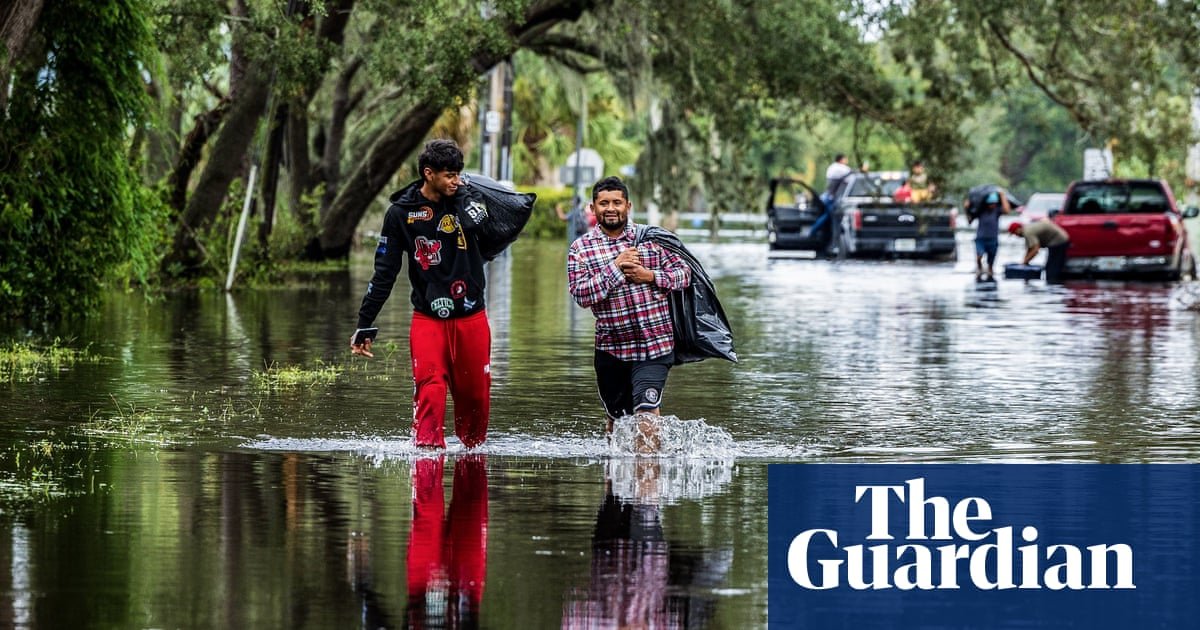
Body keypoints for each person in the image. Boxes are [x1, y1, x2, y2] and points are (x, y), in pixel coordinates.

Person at [350, 139, 492, 449]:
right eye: (449, 175)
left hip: (472, 317)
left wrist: (461, 198)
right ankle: (427, 460)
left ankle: (473, 462)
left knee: (476, 400)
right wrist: (365, 323)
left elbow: (483, 228)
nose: (456, 181)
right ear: (428, 174)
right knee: (431, 389)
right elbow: (385, 273)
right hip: (428, 318)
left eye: (459, 174)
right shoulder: (401, 213)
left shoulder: (469, 199)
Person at [567, 176, 692, 445]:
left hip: (655, 346)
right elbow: (581, 295)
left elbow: (685, 275)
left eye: (616, 202)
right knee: (617, 421)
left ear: (628, 206)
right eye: (604, 203)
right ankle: (613, 484)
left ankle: (648, 481)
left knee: (647, 416)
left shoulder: (653, 239)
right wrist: (615, 267)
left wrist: (650, 276)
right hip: (612, 349)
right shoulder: (581, 249)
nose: (610, 208)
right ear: (593, 208)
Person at [1009, 218, 1071, 284]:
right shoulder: (1027, 230)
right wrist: (1025, 262)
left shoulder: (1027, 232)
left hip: (1059, 241)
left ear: (1018, 229)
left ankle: (1053, 285)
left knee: (1052, 269)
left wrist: (1024, 262)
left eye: (1014, 233)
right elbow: (1030, 248)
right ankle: (1053, 283)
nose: (1015, 235)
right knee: (1051, 267)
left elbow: (1035, 249)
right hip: (1058, 239)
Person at [972, 190, 1011, 281]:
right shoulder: (981, 211)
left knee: (991, 260)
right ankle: (980, 268)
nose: (992, 205)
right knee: (979, 256)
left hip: (993, 239)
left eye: (994, 203)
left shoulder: (997, 211)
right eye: (990, 203)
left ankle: (990, 270)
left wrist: (1002, 195)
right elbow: (971, 215)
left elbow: (1007, 210)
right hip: (980, 238)